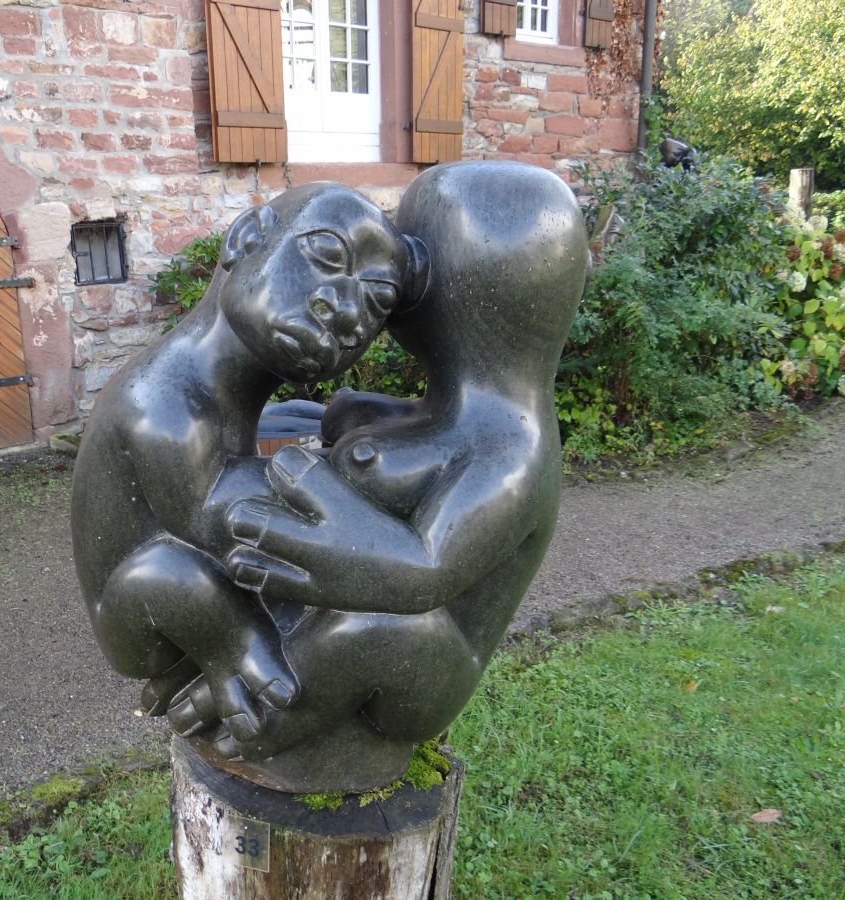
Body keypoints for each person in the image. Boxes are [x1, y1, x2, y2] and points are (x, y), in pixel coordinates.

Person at [168, 162, 592, 792]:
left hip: (427, 669)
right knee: (345, 611)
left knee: (376, 625)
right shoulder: (447, 415)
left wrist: (336, 518)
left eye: (413, 266)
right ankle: (263, 675)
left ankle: (266, 724)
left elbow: (424, 570)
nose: (392, 290)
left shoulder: (511, 448)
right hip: (350, 625)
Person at [71, 183, 426, 745]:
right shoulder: (163, 405)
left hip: (207, 571)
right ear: (246, 239)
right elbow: (221, 512)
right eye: (326, 255)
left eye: (377, 301)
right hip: (143, 612)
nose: (348, 312)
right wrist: (383, 468)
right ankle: (240, 652)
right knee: (175, 576)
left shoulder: (222, 384)